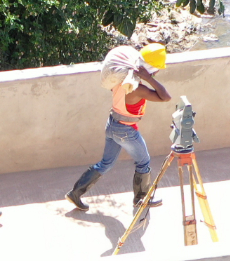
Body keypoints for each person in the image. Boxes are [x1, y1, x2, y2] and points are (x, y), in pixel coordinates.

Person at [66, 43, 171, 212]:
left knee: (105, 163)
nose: (157, 72)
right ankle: (141, 199)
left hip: (112, 124)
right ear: (149, 70)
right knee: (143, 162)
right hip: (125, 131)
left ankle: (75, 193)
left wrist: (144, 76)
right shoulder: (138, 89)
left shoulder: (121, 78)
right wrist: (149, 79)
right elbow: (166, 97)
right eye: (156, 69)